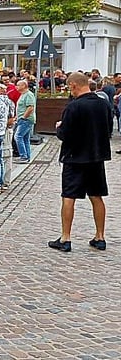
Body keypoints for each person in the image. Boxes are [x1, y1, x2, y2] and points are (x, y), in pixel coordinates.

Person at [50, 72, 113, 252]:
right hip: (96, 157)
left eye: (69, 86)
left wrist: (59, 127)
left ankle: (65, 238)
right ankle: (100, 237)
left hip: (75, 158)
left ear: (74, 85)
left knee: (69, 197)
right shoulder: (103, 104)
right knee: (96, 196)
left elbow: (65, 134)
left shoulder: (74, 107)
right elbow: (109, 128)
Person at [15, 80, 36, 163]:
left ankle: (23, 156)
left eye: (18, 85)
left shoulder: (29, 94)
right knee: (25, 138)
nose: (16, 87)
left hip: (26, 120)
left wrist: (24, 117)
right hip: (22, 119)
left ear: (24, 86)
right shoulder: (23, 94)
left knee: (18, 137)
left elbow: (30, 107)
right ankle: (27, 156)